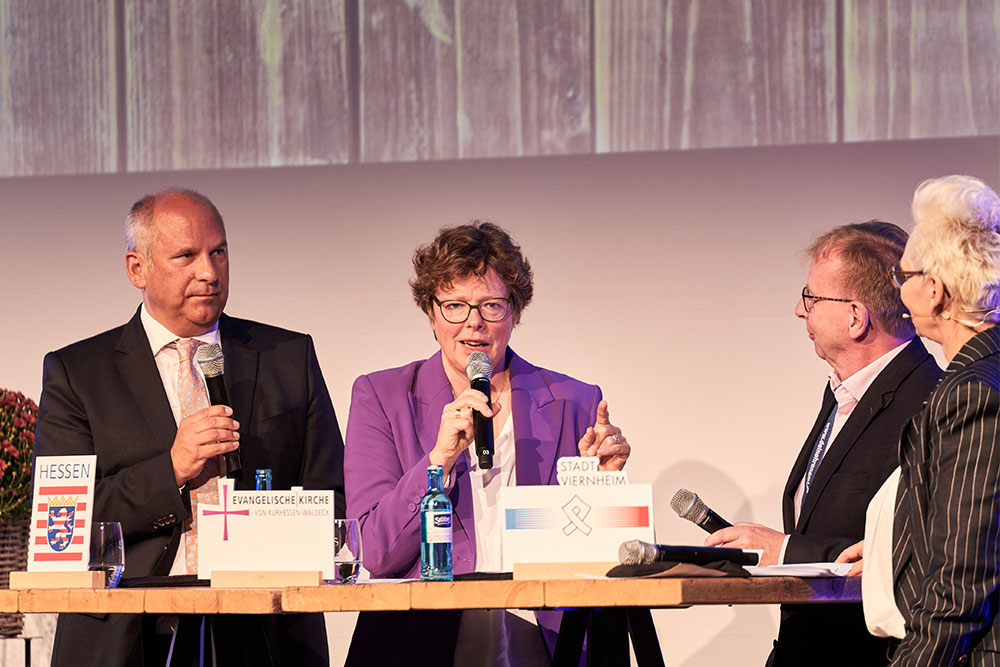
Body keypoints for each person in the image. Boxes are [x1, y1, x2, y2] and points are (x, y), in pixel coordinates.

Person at [34, 188, 345, 667]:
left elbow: (334, 498)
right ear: (137, 268)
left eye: (218, 252)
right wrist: (172, 468)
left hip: (263, 627)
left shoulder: (289, 356)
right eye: (187, 256)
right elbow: (64, 524)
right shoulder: (78, 373)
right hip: (130, 630)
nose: (209, 271)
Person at [343, 221, 631, 666]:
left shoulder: (576, 400)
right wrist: (438, 460)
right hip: (422, 638)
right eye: (455, 306)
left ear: (514, 311)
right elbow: (376, 550)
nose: (473, 323)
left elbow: (594, 550)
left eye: (491, 305)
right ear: (431, 313)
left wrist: (607, 488)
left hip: (546, 635)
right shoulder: (381, 397)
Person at [705, 221, 942, 666]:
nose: (799, 309)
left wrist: (785, 551)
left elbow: (909, 551)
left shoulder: (929, 403)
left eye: (811, 297)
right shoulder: (844, 392)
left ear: (855, 317)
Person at [837, 175, 1000, 665]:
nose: (898, 290)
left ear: (934, 290)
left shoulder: (972, 393)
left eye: (901, 277)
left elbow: (963, 577)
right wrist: (894, 547)